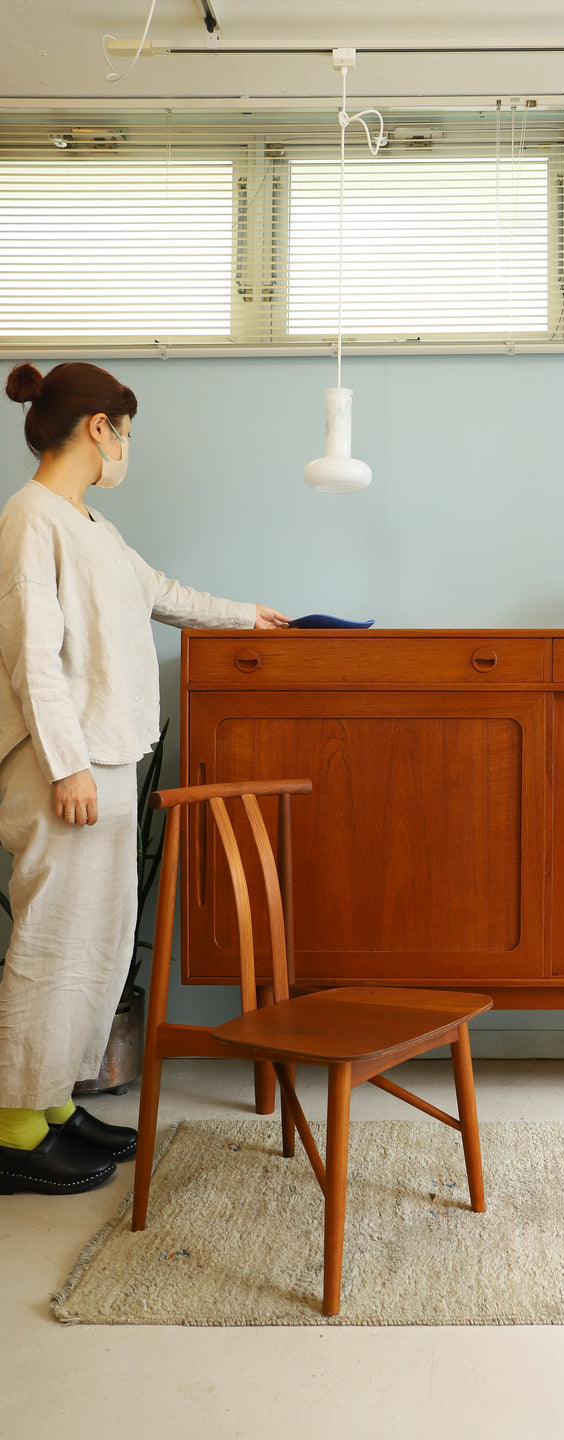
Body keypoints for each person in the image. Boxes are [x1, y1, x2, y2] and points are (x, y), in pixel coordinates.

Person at [0, 361, 290, 1195]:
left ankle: (54, 1108)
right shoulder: (31, 519)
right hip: (68, 770)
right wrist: (66, 766)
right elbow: (31, 659)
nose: (127, 447)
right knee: (51, 946)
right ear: (100, 426)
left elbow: (159, 592)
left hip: (109, 759)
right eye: (124, 429)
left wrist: (247, 614)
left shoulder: (90, 525)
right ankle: (15, 1130)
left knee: (94, 947)